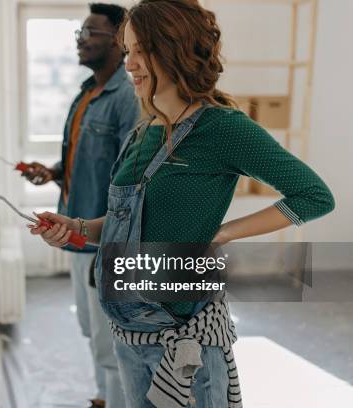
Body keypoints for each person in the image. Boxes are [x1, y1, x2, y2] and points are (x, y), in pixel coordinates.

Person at [28, 1, 336, 407]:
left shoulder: (221, 127)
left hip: (183, 343)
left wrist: (222, 234)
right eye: (128, 49)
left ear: (174, 49)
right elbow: (128, 223)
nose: (129, 63)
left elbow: (315, 197)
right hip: (130, 337)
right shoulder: (145, 130)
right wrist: (79, 228)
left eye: (142, 50)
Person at [21, 3, 139, 407]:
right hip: (77, 235)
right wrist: (54, 171)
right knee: (92, 330)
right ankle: (104, 397)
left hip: (102, 241)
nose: (81, 41)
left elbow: (131, 176)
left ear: (120, 42)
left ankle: (116, 400)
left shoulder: (128, 96)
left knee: (111, 341)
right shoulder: (88, 94)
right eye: (80, 33)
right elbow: (91, 156)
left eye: (91, 33)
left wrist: (109, 243)